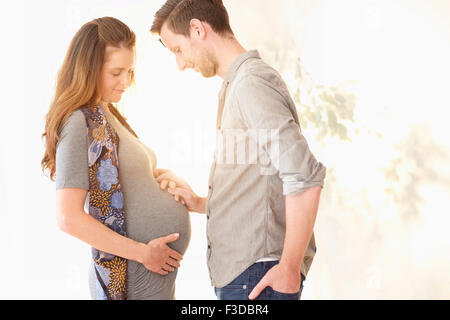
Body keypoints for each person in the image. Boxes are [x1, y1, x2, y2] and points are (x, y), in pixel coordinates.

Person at [150, 0, 327, 300]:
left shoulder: (250, 84)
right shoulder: (237, 85)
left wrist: (288, 268)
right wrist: (201, 202)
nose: (180, 64)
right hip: (248, 276)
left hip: (257, 277)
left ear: (197, 29)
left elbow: (304, 175)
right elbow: (262, 188)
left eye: (177, 50)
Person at [41, 17, 190, 300]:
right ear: (89, 69)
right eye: (116, 72)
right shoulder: (78, 122)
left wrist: (158, 177)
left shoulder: (108, 114)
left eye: (130, 71)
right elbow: (68, 217)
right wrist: (144, 253)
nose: (126, 81)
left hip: (147, 282)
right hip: (131, 279)